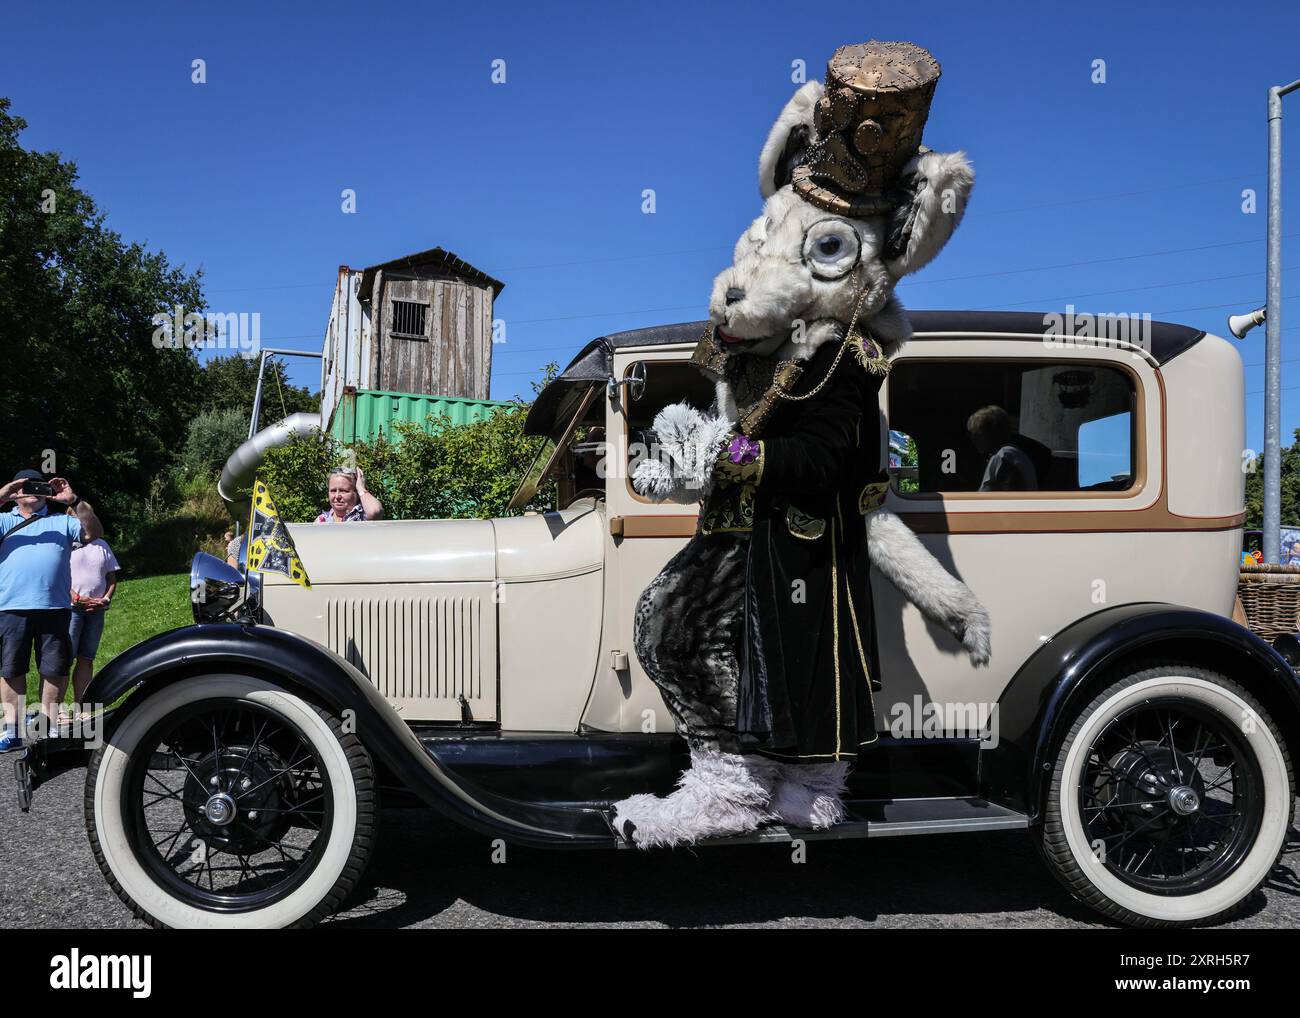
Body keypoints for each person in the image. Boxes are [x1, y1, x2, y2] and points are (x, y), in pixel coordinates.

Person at [0, 470, 100, 751]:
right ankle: (12, 730)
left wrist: (74, 500)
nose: (30, 490)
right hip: (11, 607)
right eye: (24, 485)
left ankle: (51, 725)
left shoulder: (62, 521)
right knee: (11, 669)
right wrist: (4, 494)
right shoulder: (5, 520)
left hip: (54, 607)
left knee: (54, 669)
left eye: (36, 485)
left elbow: (94, 532)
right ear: (15, 492)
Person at [65, 502, 119, 722]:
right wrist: (73, 597)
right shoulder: (66, 543)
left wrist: (105, 599)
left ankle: (81, 708)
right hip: (71, 609)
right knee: (64, 658)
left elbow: (111, 578)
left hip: (96, 610)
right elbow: (57, 574)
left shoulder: (102, 545)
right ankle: (57, 708)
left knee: (86, 658)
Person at [966, 405, 1039, 492]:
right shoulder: (1010, 453)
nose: (973, 439)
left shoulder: (1005, 456)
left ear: (993, 432)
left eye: (977, 433)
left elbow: (1007, 497)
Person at [315, 467, 382, 524]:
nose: (337, 496)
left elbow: (375, 512)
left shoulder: (363, 517)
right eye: (333, 491)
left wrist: (361, 488)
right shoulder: (322, 521)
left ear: (356, 492)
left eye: (343, 491)